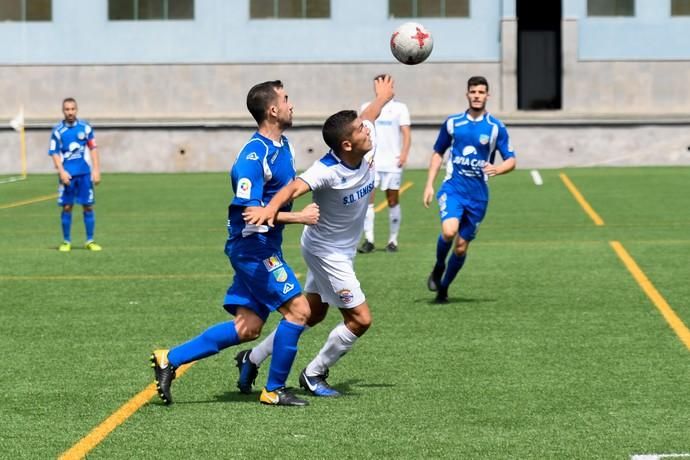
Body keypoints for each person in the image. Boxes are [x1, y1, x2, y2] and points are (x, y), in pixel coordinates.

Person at [150, 80, 319, 407]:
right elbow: (250, 215)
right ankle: (274, 389)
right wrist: (299, 218)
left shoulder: (284, 145)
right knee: (299, 311)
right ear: (272, 110)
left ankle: (168, 358)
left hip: (265, 248)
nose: (291, 105)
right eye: (286, 100)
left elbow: (280, 196)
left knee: (248, 328)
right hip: (253, 251)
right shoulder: (252, 158)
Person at [238, 75, 395, 397]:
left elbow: (370, 117)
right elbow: (294, 187)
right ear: (346, 145)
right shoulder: (326, 170)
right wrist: (270, 210)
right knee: (361, 320)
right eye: (360, 130)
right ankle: (314, 372)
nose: (368, 130)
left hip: (340, 249)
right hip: (327, 252)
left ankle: (251, 358)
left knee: (312, 313)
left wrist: (381, 97)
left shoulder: (365, 139)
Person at [423, 76, 516, 303]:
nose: (477, 95)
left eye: (481, 92)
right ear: (467, 94)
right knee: (448, 231)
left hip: (478, 196)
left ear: (487, 95)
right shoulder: (453, 123)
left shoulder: (495, 128)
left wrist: (498, 168)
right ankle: (438, 267)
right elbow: (438, 153)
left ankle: (444, 287)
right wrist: (429, 184)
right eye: (473, 91)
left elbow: (511, 160)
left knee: (462, 248)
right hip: (453, 188)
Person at [357, 74, 411, 253]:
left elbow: (406, 133)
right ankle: (369, 240)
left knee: (393, 200)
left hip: (392, 162)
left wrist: (403, 154)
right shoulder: (367, 108)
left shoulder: (400, 108)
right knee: (367, 200)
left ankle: (393, 240)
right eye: (377, 85)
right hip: (372, 162)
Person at [48, 98, 102, 252]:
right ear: (63, 111)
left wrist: (96, 170)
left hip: (85, 174)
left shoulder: (85, 128)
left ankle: (90, 240)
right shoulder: (58, 131)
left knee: (88, 206)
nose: (70, 112)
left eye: (72, 109)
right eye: (67, 109)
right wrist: (61, 171)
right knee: (67, 207)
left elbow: (93, 148)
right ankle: (66, 241)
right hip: (68, 176)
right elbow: (54, 152)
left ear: (76, 110)